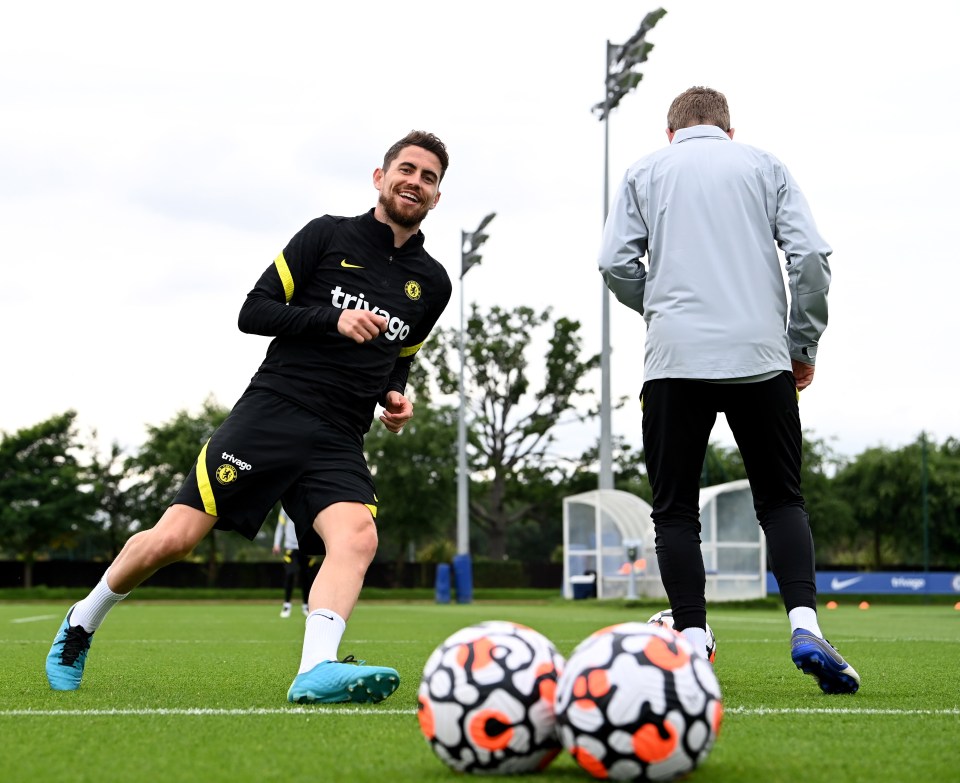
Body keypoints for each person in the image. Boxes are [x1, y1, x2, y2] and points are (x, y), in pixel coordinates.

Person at [45, 129, 453, 705]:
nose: (416, 182)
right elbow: (253, 311)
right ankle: (80, 623)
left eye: (429, 177)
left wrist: (395, 396)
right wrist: (330, 321)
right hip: (273, 412)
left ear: (437, 196)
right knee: (176, 539)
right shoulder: (326, 235)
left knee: (357, 535)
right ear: (380, 177)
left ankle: (315, 670)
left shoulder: (433, 283)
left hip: (339, 435)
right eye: (407, 169)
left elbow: (401, 356)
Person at [598, 86, 859, 695]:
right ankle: (804, 625)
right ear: (728, 130)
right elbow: (812, 257)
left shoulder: (643, 170)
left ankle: (691, 640)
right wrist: (802, 342)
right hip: (760, 357)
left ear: (671, 134)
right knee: (781, 501)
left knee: (674, 509)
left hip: (673, 361)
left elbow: (614, 264)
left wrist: (661, 308)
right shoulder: (764, 166)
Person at [273, 505, 315, 618]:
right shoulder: (285, 507)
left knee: (306, 578)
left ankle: (306, 606)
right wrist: (276, 543)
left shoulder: (308, 504)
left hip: (306, 548)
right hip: (290, 547)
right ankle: (287, 605)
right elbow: (280, 526)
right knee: (290, 574)